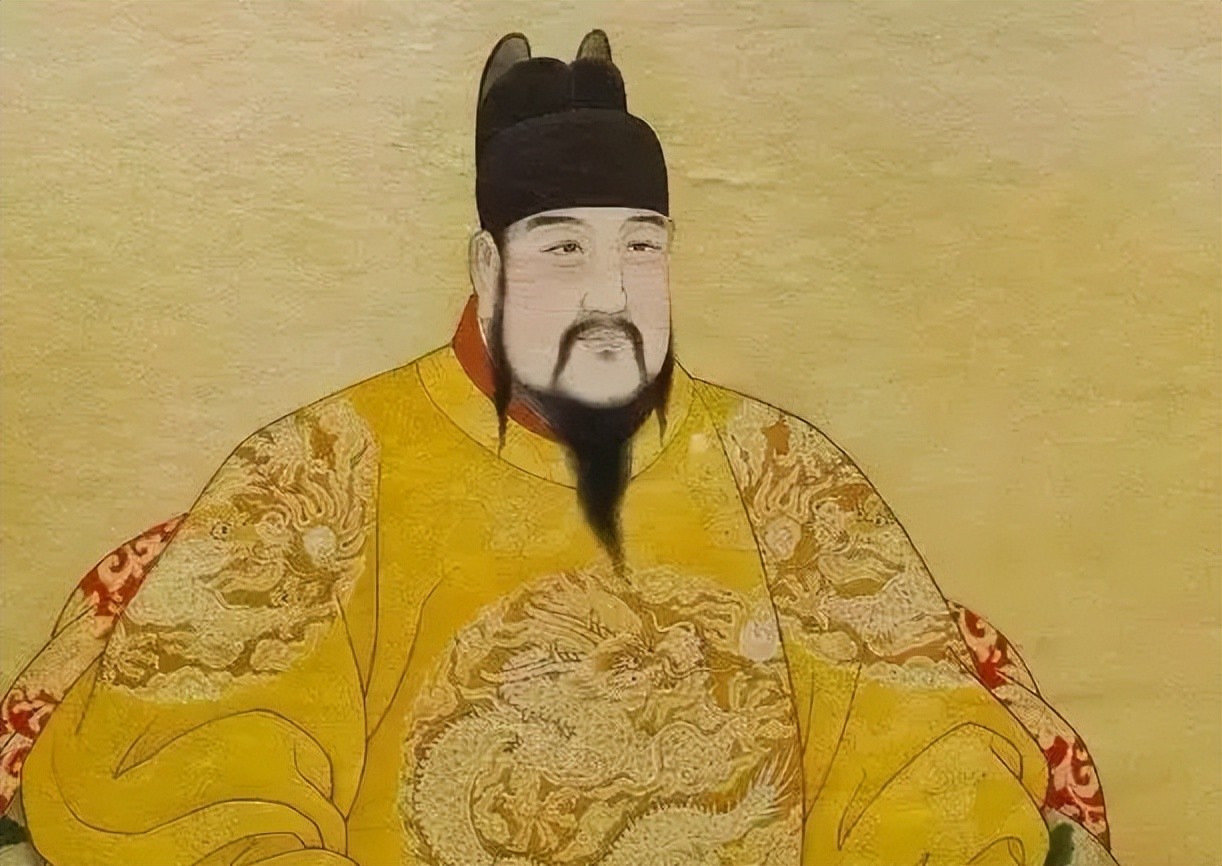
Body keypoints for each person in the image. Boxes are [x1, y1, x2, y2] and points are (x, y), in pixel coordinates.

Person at [21, 30, 1088, 866]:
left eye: (641, 247)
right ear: (487, 266)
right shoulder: (317, 474)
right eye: (563, 248)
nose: (608, 293)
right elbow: (197, 792)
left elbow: (925, 764)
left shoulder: (784, 475)